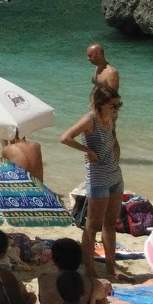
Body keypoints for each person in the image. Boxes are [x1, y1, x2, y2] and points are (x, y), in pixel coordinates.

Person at [62, 84, 125, 279]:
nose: (115, 109)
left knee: (110, 224)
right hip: (97, 177)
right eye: (112, 105)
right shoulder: (90, 119)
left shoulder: (111, 118)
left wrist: (116, 155)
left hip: (114, 173)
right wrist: (87, 151)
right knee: (93, 226)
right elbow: (65, 137)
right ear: (101, 104)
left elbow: (113, 138)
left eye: (118, 105)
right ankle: (89, 269)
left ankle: (111, 267)